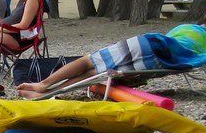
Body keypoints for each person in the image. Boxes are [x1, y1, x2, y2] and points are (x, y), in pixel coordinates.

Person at [18, 20, 206, 98]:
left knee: (88, 61)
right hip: (162, 60)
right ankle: (48, 92)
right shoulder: (199, 44)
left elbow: (169, 38)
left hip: (149, 44)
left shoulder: (187, 27)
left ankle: (44, 85)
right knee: (95, 73)